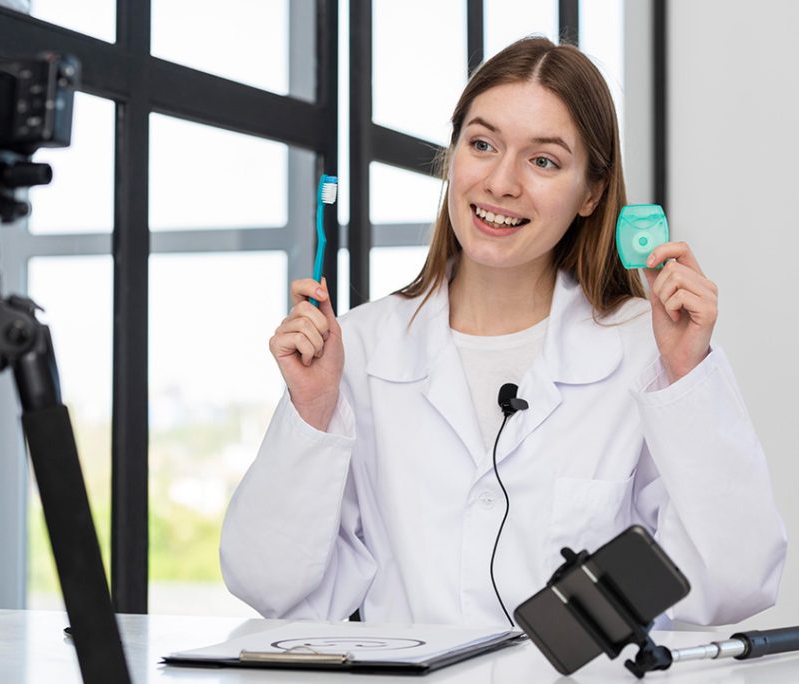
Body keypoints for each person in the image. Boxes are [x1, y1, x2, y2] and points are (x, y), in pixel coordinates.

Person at [219, 37, 786, 628]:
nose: (501, 183)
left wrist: (687, 376)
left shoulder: (646, 346)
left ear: (591, 193)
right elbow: (270, 585)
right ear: (454, 154)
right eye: (482, 145)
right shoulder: (359, 347)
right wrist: (311, 411)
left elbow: (734, 577)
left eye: (543, 161)